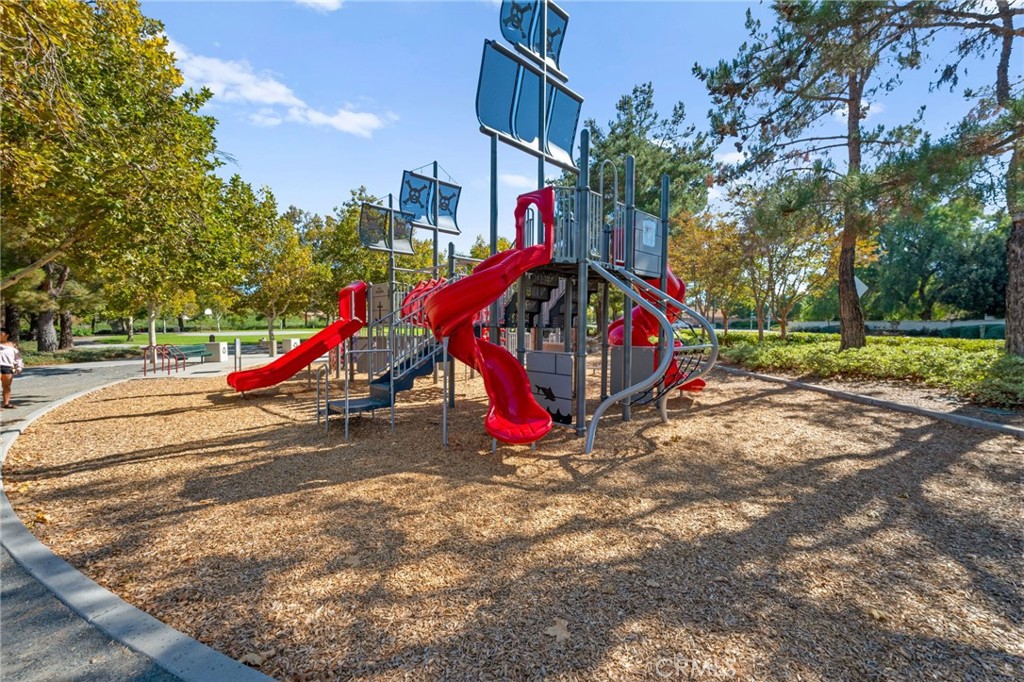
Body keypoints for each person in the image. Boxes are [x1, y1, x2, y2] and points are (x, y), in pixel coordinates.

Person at [0, 326, 24, 408]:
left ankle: (6, 403)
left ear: (7, 335)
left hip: (8, 367)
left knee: (6, 386)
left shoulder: (12, 345)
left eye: (1, 333)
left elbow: (18, 358)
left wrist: (19, 367)